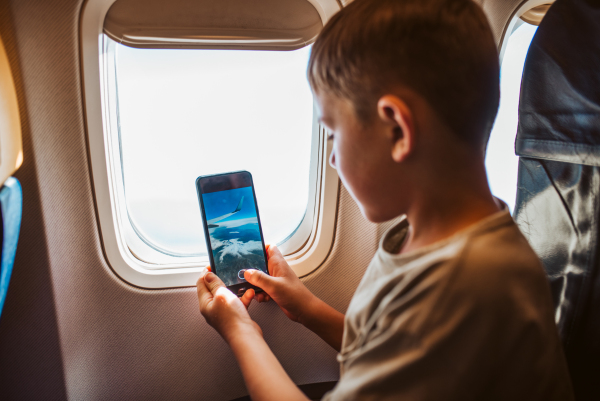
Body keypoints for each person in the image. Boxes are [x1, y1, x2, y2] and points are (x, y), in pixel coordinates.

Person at [195, 0, 574, 399]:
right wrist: (305, 307)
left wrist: (240, 331)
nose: (333, 158)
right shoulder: (427, 237)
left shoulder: (466, 287)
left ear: (397, 130)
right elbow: (391, 347)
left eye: (333, 133)